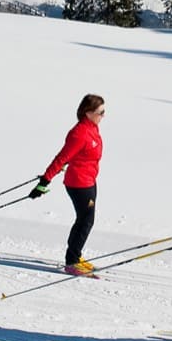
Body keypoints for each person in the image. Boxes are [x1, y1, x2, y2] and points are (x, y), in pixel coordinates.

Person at [29, 94, 105, 275]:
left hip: (89, 180)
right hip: (79, 183)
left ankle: (75, 256)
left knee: (85, 219)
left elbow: (77, 155)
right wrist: (44, 181)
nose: (103, 116)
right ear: (88, 113)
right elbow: (62, 157)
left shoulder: (92, 128)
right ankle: (71, 261)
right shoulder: (79, 133)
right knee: (86, 221)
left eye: (104, 111)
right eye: (100, 112)